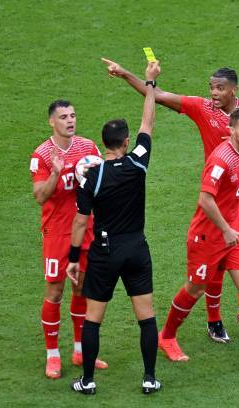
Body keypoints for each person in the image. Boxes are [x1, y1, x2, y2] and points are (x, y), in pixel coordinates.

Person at [102, 58, 239, 342]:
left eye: (220, 88)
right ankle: (214, 320)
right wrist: (125, 74)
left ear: (234, 90)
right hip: (221, 197)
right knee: (218, 262)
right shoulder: (202, 108)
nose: (214, 93)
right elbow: (157, 96)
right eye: (211, 87)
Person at [156, 107, 239, 370]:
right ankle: (166, 336)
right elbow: (205, 199)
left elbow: (235, 184)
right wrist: (226, 230)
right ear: (231, 130)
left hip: (233, 228)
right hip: (208, 236)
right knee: (195, 289)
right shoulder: (221, 159)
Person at [67, 60, 162, 395]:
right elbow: (148, 122)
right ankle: (150, 378)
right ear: (124, 142)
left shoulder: (91, 177)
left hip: (105, 251)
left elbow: (81, 221)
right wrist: (149, 83)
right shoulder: (137, 161)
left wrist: (74, 258)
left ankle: (88, 380)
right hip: (136, 248)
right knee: (146, 317)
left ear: (104, 143)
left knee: (93, 318)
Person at [30, 100, 108, 379]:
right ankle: (52, 356)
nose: (70, 120)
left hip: (86, 229)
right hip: (57, 232)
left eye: (73, 115)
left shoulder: (88, 148)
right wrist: (55, 172)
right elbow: (40, 196)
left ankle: (80, 351)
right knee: (55, 291)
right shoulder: (41, 154)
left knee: (82, 288)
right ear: (52, 122)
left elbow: (103, 181)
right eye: (63, 117)